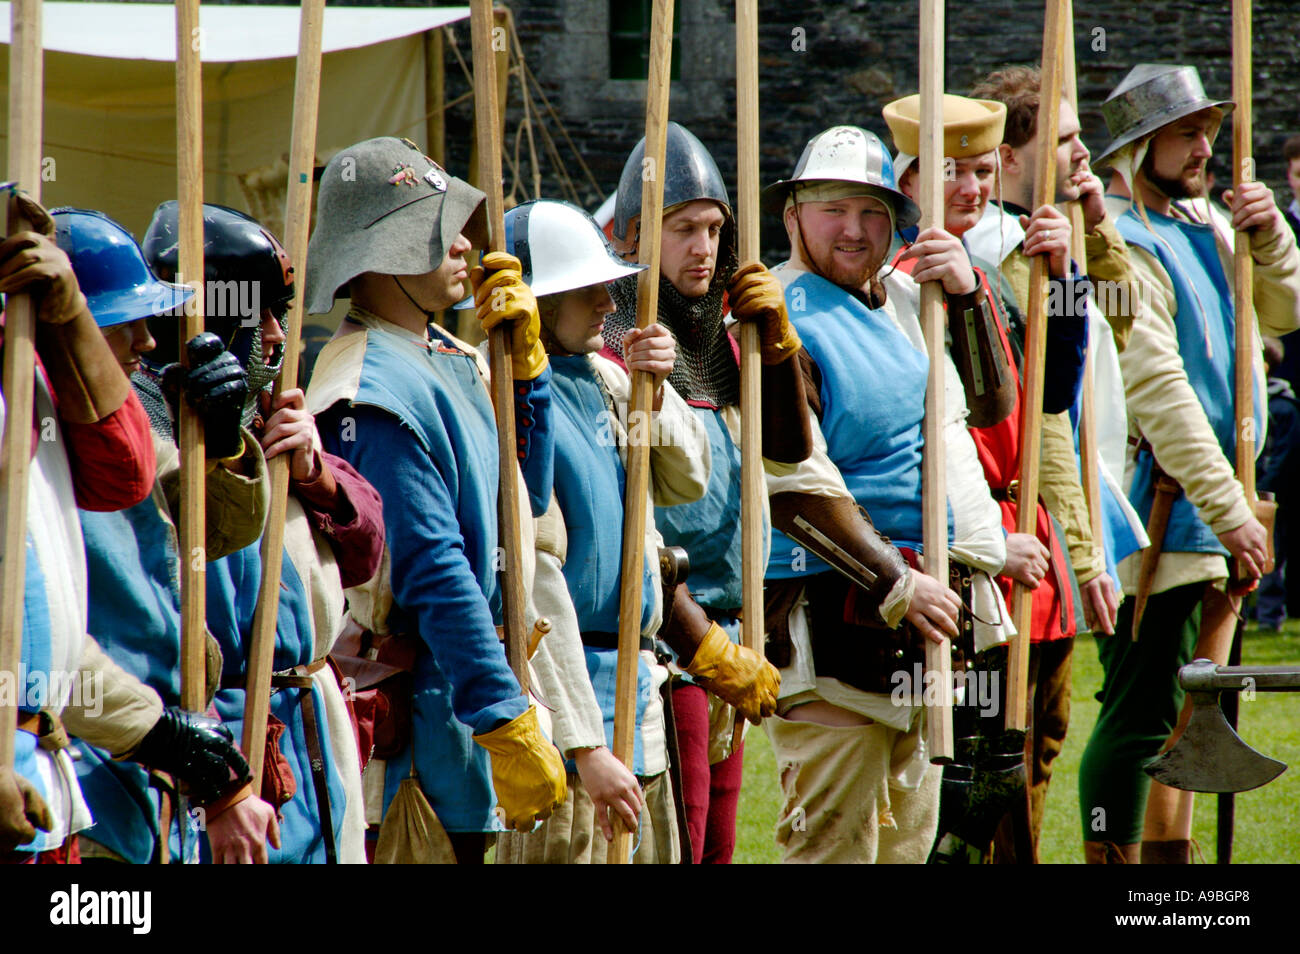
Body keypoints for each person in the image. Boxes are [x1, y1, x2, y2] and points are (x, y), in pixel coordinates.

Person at [304, 137, 565, 864]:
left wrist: (527, 376)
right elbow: (434, 571)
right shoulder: (369, 393)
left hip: (464, 706)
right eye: (435, 227)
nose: (464, 244)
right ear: (385, 251)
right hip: (415, 732)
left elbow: (527, 497)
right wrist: (502, 716)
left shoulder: (450, 353)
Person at [759, 125, 1014, 863]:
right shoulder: (773, 318)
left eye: (871, 212)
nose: (853, 229)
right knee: (834, 848)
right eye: (832, 209)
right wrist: (895, 579)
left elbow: (991, 404)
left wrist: (965, 295)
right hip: (833, 619)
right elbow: (793, 488)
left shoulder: (911, 297)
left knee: (907, 850)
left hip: (925, 626)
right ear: (793, 216)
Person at [0, 194, 263, 862]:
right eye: (126, 323)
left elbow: (208, 528)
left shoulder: (68, 424)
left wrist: (227, 443)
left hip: (106, 760)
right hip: (87, 756)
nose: (148, 342)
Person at [492, 199, 755, 863]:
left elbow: (686, 481)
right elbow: (536, 590)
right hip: (567, 704)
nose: (610, 303)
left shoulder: (609, 381)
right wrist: (584, 744)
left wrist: (657, 389)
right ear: (542, 301)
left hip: (638, 694)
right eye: (588, 290)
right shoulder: (509, 402)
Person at [1082, 63, 1300, 863]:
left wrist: (1270, 236)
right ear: (1141, 146)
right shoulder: (1122, 244)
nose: (1205, 143)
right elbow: (1158, 390)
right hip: (1164, 508)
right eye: (1185, 130)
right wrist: (1227, 508)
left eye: (1208, 127)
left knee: (1192, 718)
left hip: (1215, 507)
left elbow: (1286, 311)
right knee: (1140, 713)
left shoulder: (1207, 222)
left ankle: (1170, 890)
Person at [143, 201, 385, 863]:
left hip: (311, 729)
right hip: (217, 737)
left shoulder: (272, 419)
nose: (279, 337)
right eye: (261, 317)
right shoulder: (152, 434)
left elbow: (365, 557)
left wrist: (315, 473)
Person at [601, 122, 807, 864]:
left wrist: (776, 344)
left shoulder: (723, 341)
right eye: (683, 228)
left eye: (714, 229)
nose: (704, 247)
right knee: (681, 848)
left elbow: (788, 450)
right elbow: (626, 526)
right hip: (669, 641)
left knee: (717, 848)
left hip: (729, 630)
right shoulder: (616, 346)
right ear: (632, 238)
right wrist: (703, 644)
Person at [1256, 337, 1299, 628]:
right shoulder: (1251, 400)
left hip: (1272, 495)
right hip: (1250, 490)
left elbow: (1283, 454)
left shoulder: (1283, 407)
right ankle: (1248, 614)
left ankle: (1270, 617)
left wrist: (1265, 488)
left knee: (1272, 555)